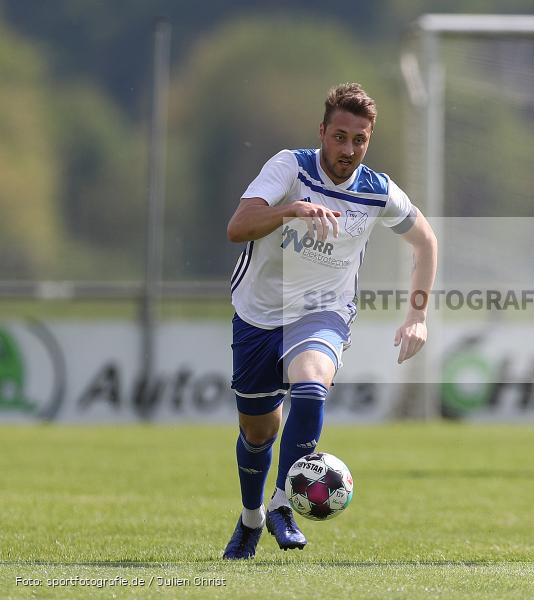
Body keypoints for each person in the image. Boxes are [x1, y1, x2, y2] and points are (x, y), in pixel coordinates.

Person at [222, 83, 437, 559]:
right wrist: (290, 210)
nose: (348, 149)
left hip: (323, 311)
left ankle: (283, 502)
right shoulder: (290, 167)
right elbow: (237, 227)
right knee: (258, 434)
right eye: (340, 136)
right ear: (322, 132)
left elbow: (425, 241)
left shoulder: (377, 190)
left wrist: (417, 315)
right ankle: (252, 516)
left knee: (312, 384)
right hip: (258, 314)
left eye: (359, 140)